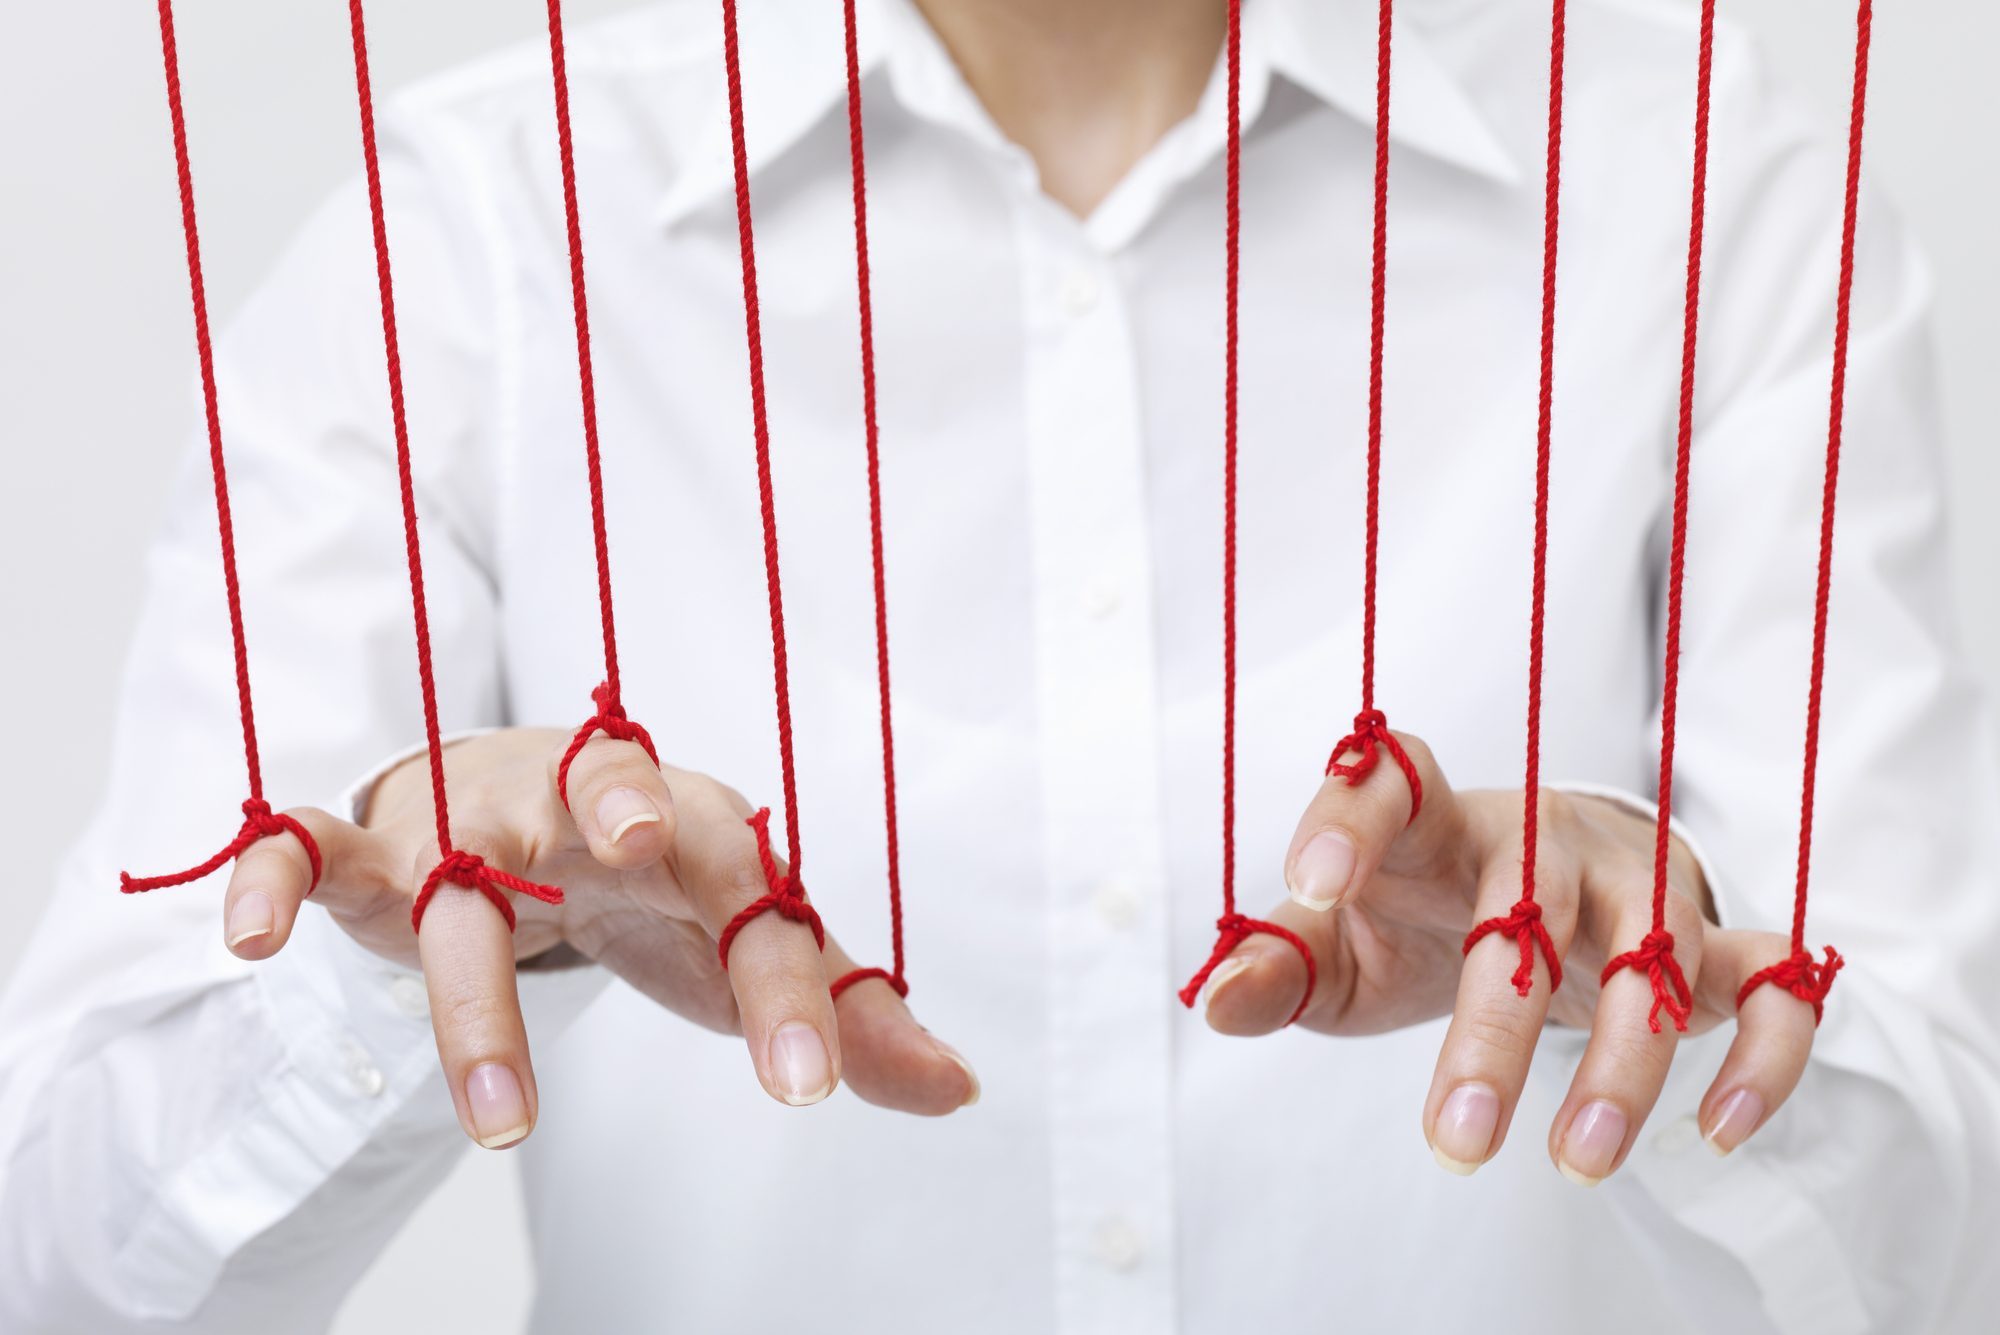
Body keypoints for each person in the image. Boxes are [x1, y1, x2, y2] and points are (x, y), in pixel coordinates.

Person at [3, 0, 1996, 1330]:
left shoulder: (1718, 206)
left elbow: (1939, 1232)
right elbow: (66, 1261)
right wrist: (391, 966)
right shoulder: (469, 235)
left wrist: (1659, 1000)